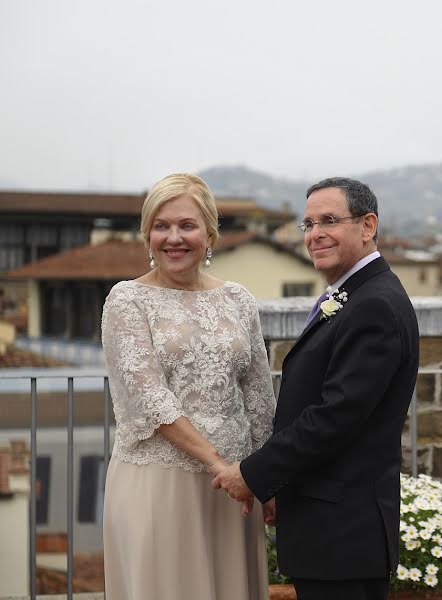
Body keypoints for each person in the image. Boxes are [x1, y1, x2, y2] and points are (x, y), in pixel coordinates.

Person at [212, 177, 420, 600]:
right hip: (332, 527)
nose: (315, 234)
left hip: (342, 530)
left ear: (368, 225)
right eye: (307, 224)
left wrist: (254, 475)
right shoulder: (355, 294)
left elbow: (334, 416)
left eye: (329, 220)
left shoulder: (374, 305)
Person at [101, 173, 276, 600]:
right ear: (147, 235)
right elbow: (148, 399)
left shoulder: (238, 299)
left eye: (186, 226)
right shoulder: (127, 301)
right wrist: (219, 465)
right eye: (161, 226)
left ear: (210, 235)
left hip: (236, 490)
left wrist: (270, 478)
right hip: (162, 484)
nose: (173, 238)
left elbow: (259, 394)